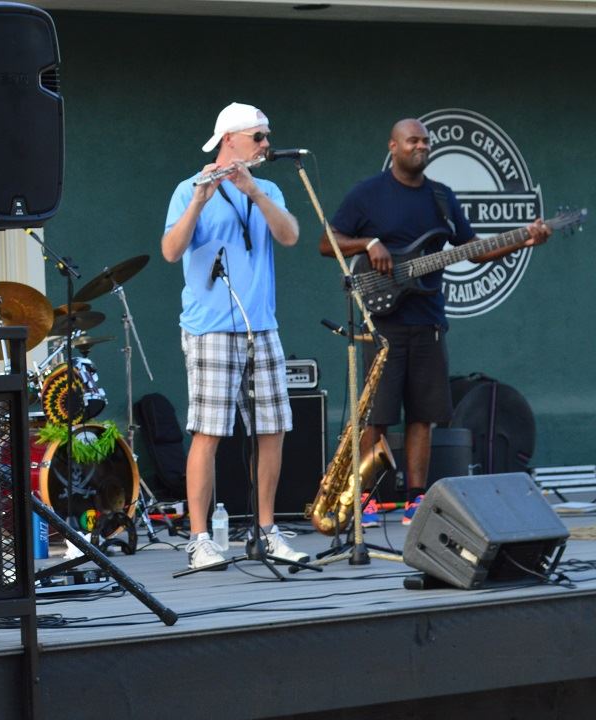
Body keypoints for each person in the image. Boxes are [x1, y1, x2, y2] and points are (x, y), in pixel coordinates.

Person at [324, 118, 551, 525]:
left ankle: (416, 498)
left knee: (423, 417)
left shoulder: (442, 198)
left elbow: (472, 250)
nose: (421, 147)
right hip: (384, 324)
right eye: (413, 141)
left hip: (429, 323)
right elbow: (328, 242)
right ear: (393, 146)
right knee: (376, 416)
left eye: (426, 142)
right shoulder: (368, 194)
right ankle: (361, 499)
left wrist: (522, 238)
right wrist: (368, 243)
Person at [161, 101, 308, 570]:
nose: (267, 144)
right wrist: (201, 202)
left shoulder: (267, 188)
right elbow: (170, 251)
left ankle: (267, 530)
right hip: (210, 328)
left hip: (260, 325)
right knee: (209, 432)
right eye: (258, 137)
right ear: (230, 140)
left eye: (266, 137)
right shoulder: (189, 189)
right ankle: (201, 538)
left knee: (273, 429)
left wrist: (256, 195)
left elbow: (290, 237)